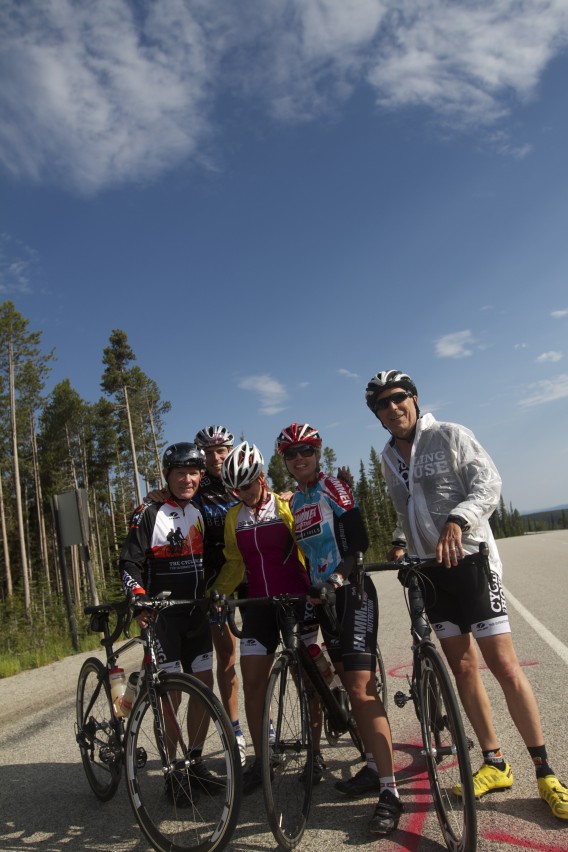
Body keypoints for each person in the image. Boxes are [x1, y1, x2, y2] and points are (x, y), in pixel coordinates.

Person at [364, 369, 568, 821]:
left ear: (414, 399)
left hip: (472, 564)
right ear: (376, 414)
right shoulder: (387, 458)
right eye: (382, 404)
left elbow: (488, 484)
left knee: (505, 666)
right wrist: (400, 540)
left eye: (398, 398)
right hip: (431, 574)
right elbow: (405, 508)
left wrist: (458, 518)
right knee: (461, 667)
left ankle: (546, 771)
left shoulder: (451, 435)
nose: (392, 407)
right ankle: (495, 762)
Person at [276, 423, 403, 836]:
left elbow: (358, 541)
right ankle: (369, 765)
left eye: (307, 450)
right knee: (342, 685)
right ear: (285, 460)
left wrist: (336, 581)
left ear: (318, 452)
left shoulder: (335, 487)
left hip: (352, 592)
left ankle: (390, 791)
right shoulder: (292, 501)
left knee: (362, 689)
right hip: (320, 599)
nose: (300, 458)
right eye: (292, 453)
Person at [213, 440, 319, 795]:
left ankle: (315, 753)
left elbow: (310, 547)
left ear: (261, 477)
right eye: (234, 488)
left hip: (296, 601)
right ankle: (262, 759)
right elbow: (234, 562)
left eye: (246, 485)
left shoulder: (285, 506)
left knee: (309, 681)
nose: (240, 493)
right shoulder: (234, 517)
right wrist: (218, 593)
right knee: (254, 681)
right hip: (258, 607)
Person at [119, 442, 216, 803]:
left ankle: (195, 762)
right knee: (171, 695)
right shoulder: (148, 511)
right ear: (168, 476)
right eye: (180, 473)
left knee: (204, 687)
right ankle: (172, 772)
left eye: (193, 473)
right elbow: (128, 563)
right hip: (162, 617)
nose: (188, 479)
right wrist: (138, 594)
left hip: (196, 613)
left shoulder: (201, 509)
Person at [192, 425, 247, 766]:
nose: (216, 457)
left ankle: (263, 724)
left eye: (221, 450)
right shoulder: (198, 487)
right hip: (217, 580)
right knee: (226, 656)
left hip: (250, 573)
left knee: (260, 653)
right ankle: (235, 731)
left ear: (230, 449)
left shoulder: (245, 479)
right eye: (209, 452)